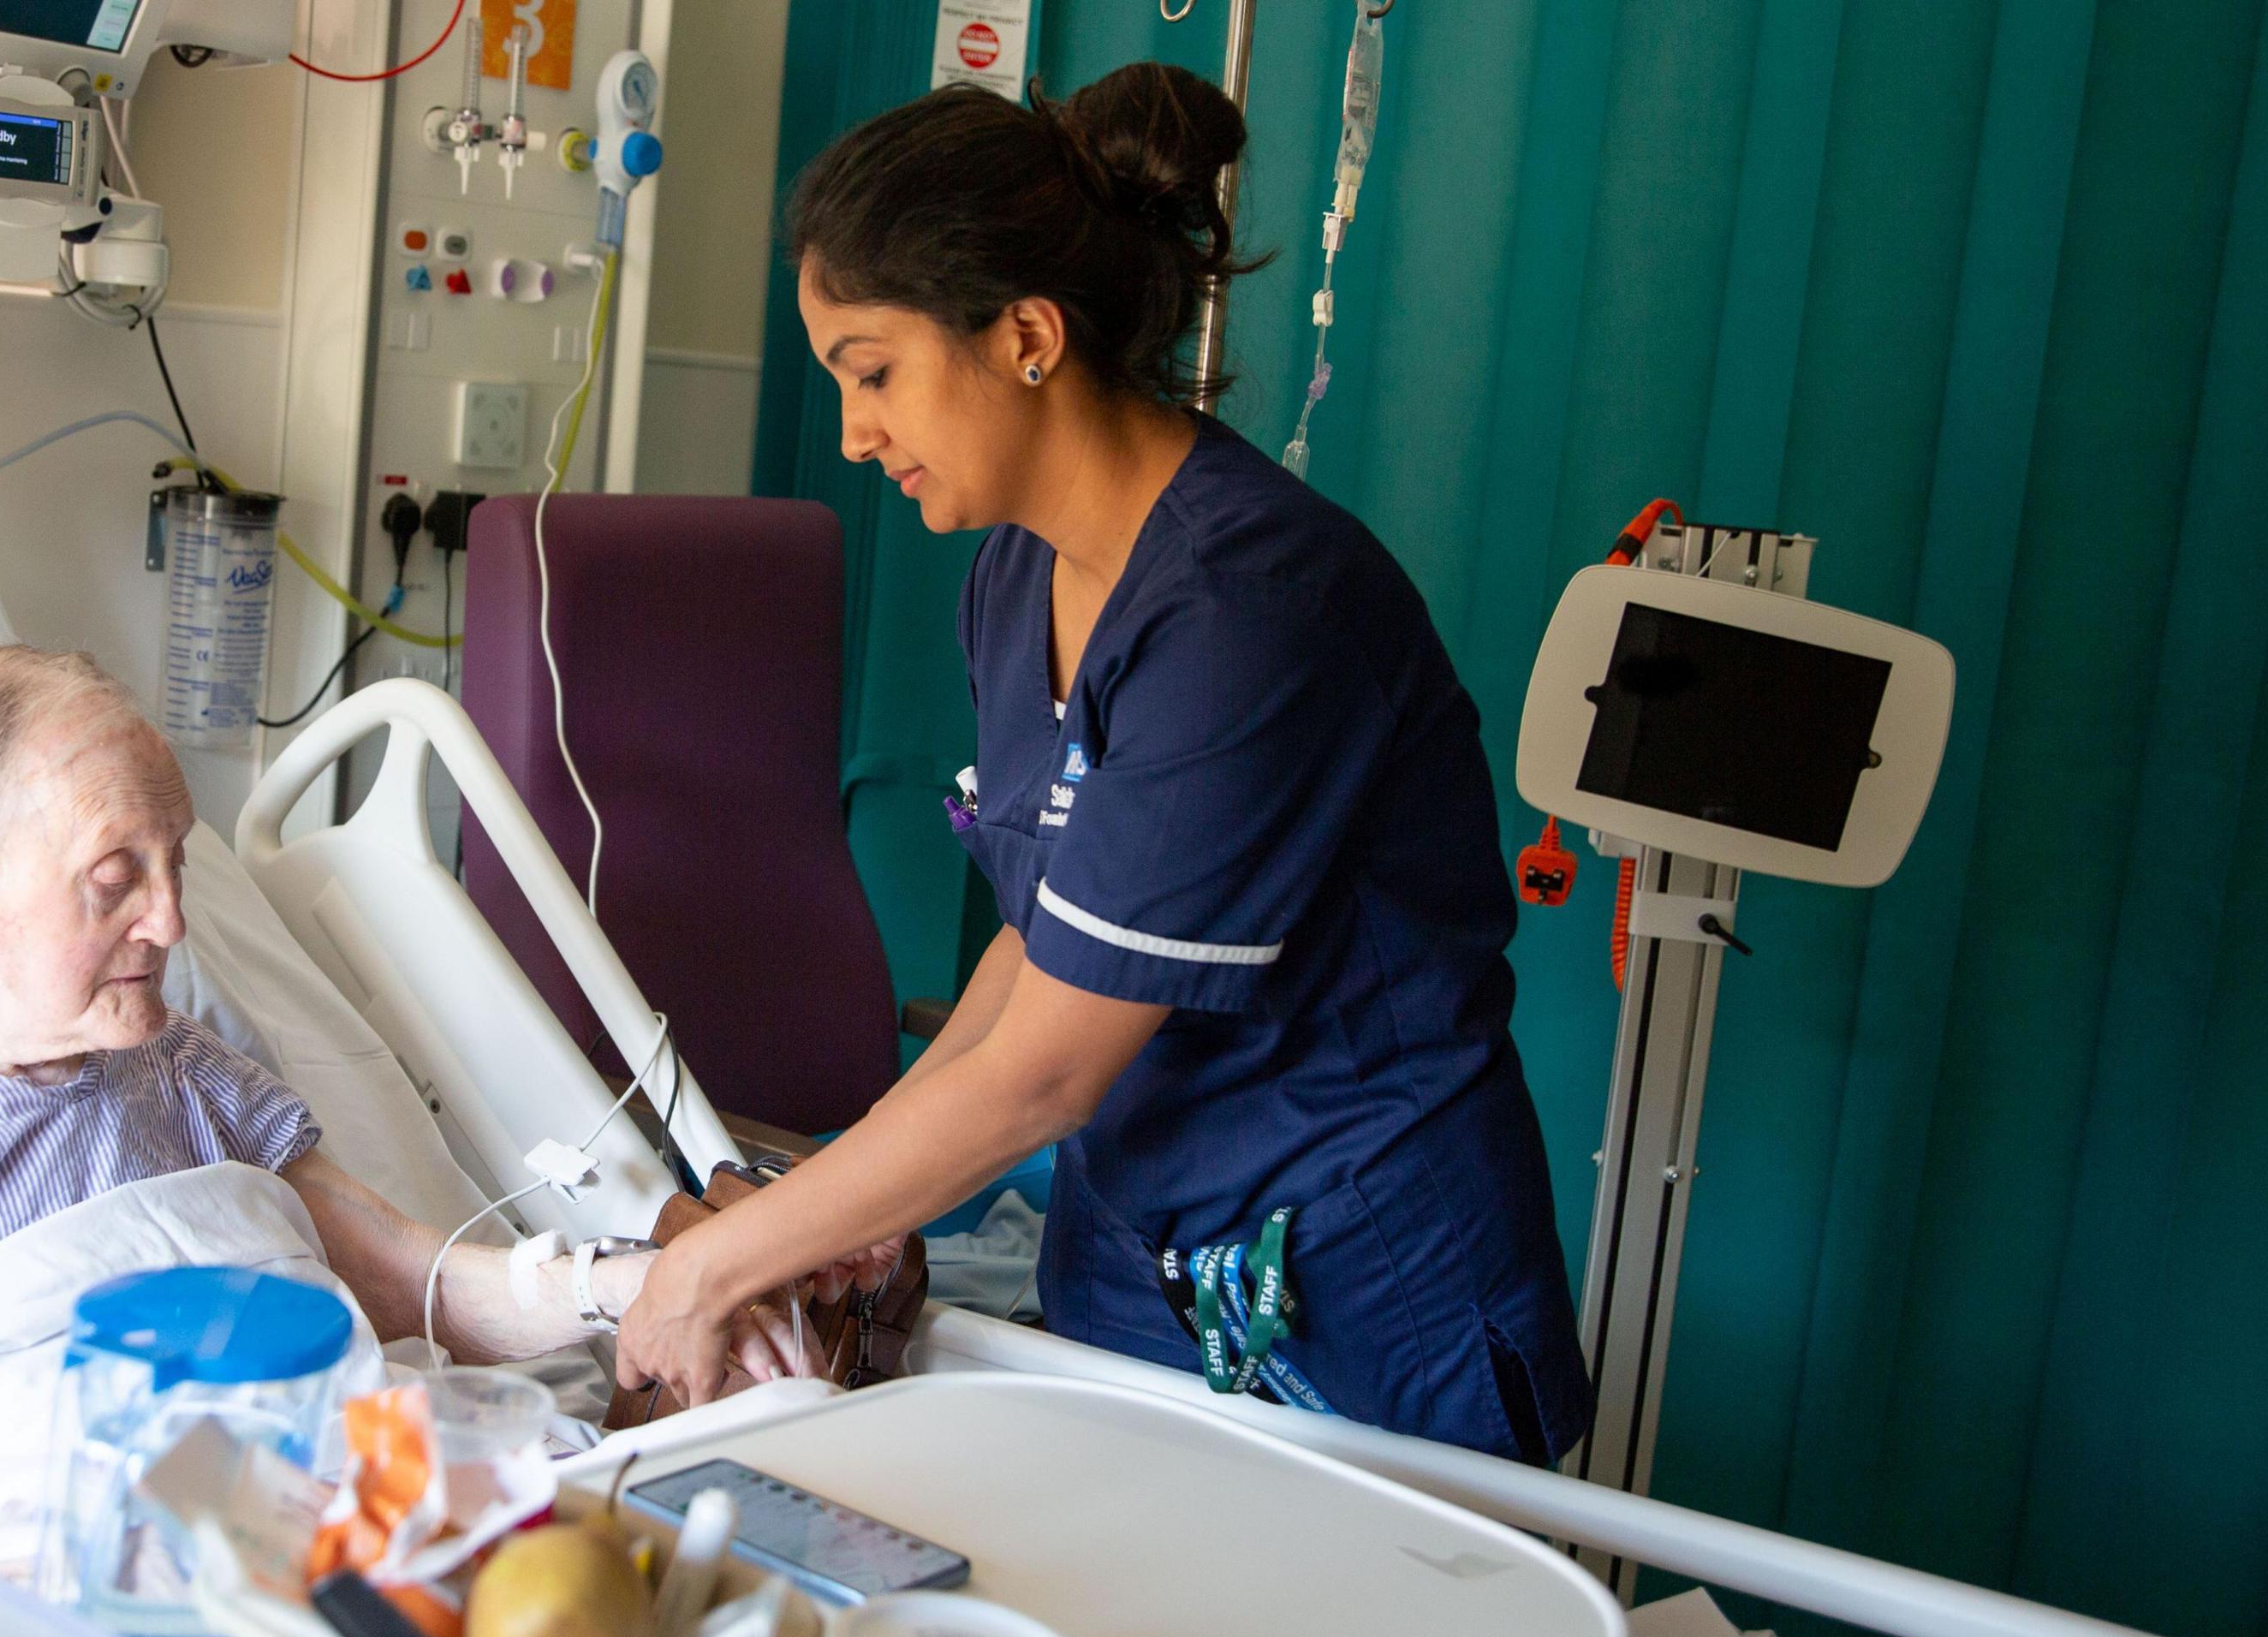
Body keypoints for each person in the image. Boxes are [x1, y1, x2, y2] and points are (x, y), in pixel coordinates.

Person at [613, 66, 1592, 1464]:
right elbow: (1050, 936)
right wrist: (854, 1192)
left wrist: (717, 1263)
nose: (853, 434)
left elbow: (1045, 1074)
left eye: (874, 373)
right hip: (1139, 1248)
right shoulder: (1016, 575)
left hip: (1359, 1282)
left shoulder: (1251, 612)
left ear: (1025, 335)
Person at [0, 646, 806, 1556]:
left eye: (176, 863)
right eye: (114, 878)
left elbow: (412, 1280)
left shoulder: (179, 1071)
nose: (173, 919)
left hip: (383, 1560)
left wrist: (645, 1286)